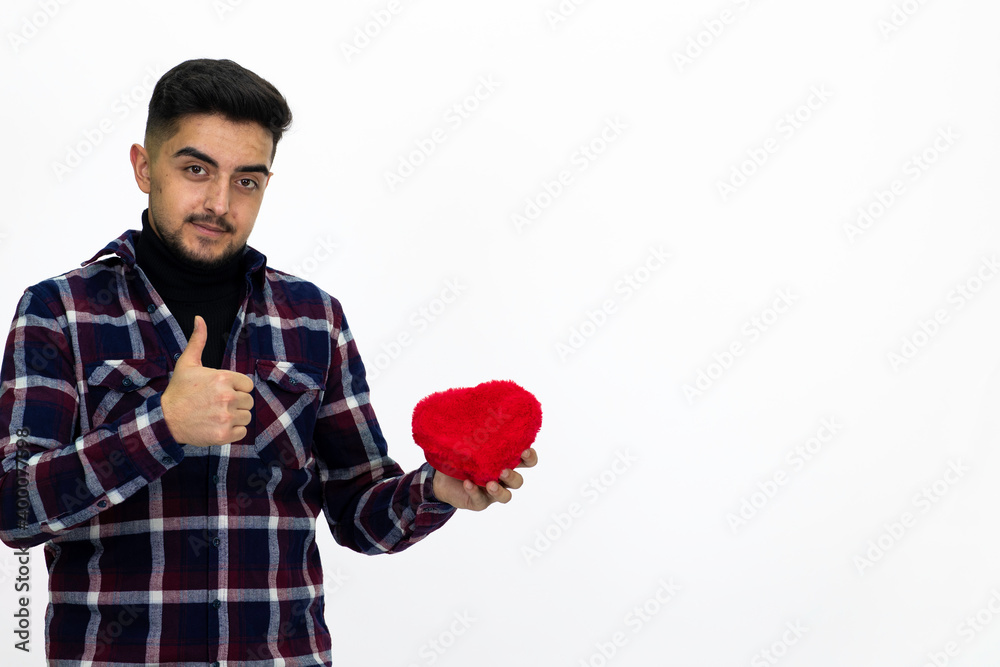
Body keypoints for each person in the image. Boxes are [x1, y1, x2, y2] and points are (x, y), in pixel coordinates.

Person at [0, 58, 537, 666]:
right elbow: (15, 510)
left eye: (247, 180)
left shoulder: (314, 319)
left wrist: (438, 490)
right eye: (196, 169)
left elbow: (360, 514)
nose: (219, 202)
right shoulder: (59, 311)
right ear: (144, 168)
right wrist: (163, 427)